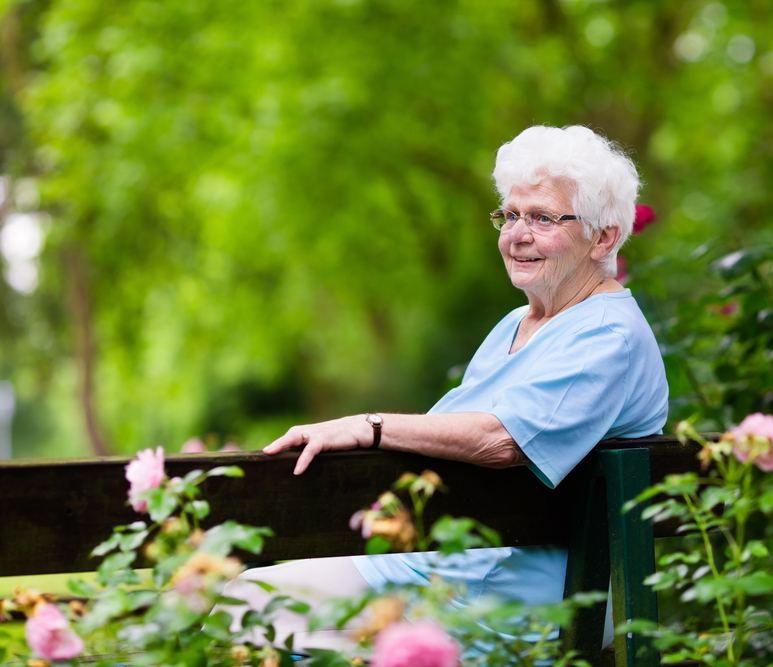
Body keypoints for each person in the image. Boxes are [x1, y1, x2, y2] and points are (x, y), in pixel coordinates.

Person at [225, 124, 669, 650]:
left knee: (258, 617)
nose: (516, 234)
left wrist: (367, 427)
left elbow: (504, 441)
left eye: (542, 218)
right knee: (246, 602)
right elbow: (449, 430)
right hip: (449, 566)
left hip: (519, 600)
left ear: (604, 236)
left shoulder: (607, 335)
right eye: (510, 214)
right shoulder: (517, 324)